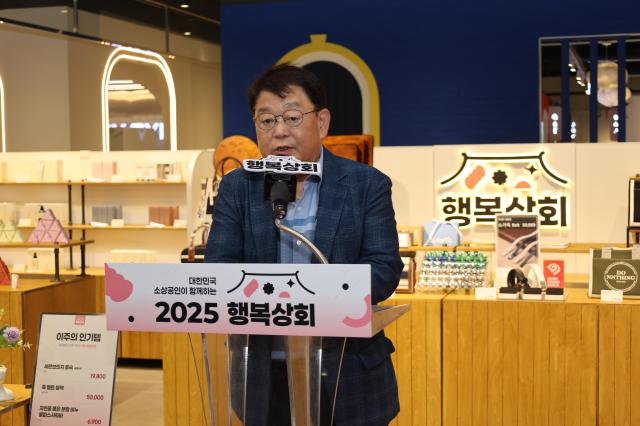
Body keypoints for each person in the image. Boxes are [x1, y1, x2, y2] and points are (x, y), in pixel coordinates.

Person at [205, 64, 402, 426]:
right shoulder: (238, 187)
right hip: (264, 375)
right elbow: (218, 268)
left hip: (348, 375)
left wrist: (309, 296)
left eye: (293, 118)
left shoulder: (366, 185)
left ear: (322, 122)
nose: (279, 131)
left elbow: (384, 270)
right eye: (267, 120)